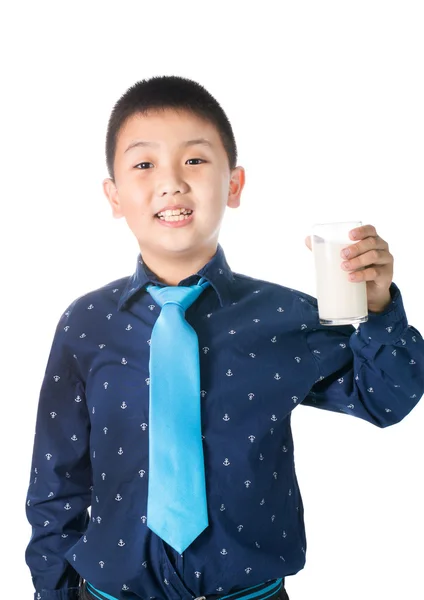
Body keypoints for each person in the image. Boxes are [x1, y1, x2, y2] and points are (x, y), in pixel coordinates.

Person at [25, 75, 424, 600]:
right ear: (115, 195)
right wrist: (52, 591)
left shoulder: (285, 316)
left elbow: (386, 399)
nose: (171, 183)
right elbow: (57, 482)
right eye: (144, 165)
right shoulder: (86, 324)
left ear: (233, 185)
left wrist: (378, 311)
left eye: (194, 160)